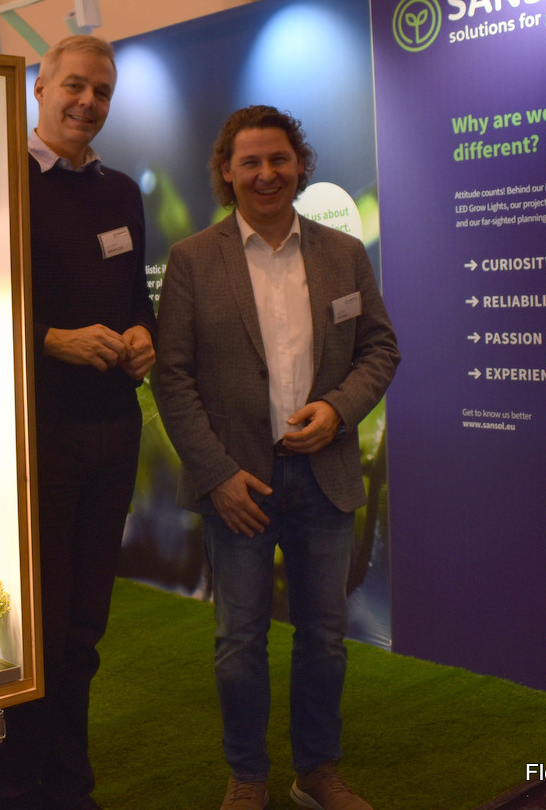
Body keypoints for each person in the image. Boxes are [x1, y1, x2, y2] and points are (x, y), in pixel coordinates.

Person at [152, 106, 399, 810]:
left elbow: (380, 348)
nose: (267, 173)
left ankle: (316, 772)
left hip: (324, 479)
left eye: (279, 159)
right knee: (239, 643)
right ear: (226, 172)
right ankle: (249, 776)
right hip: (238, 486)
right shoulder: (193, 259)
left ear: (301, 165)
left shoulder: (342, 253)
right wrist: (216, 475)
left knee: (325, 639)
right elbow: (173, 378)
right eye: (251, 162)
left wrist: (338, 409)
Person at [0, 34, 154, 810]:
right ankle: (20, 791)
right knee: (35, 630)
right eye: (74, 85)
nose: (87, 102)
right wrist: (47, 340)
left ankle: (71, 786)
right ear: (39, 87)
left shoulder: (120, 191)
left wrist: (144, 335)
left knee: (84, 630)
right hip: (31, 437)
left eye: (102, 92)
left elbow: (137, 300)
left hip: (111, 432)